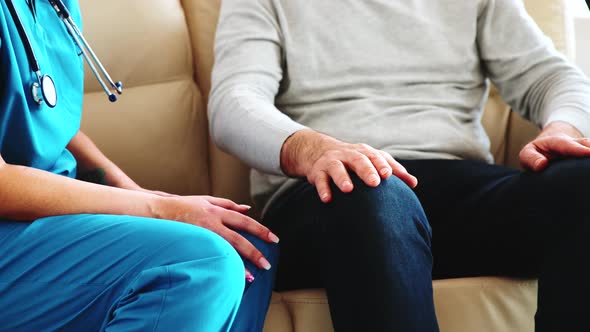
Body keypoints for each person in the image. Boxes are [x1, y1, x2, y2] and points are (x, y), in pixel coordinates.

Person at [209, 0, 590, 331]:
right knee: (370, 187)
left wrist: (562, 128)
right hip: (332, 194)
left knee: (581, 180)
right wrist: (312, 149)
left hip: (454, 184)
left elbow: (552, 76)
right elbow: (234, 102)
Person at [0, 0, 277, 331]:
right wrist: (157, 208)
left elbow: (47, 115)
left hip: (51, 218)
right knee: (201, 263)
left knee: (250, 250)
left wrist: (135, 192)